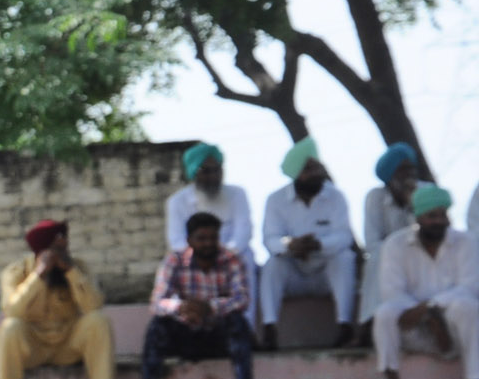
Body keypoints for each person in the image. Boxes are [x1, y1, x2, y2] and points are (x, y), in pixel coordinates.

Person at [134, 212, 258, 379]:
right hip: (186, 335)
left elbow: (242, 299)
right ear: (189, 240)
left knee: (238, 323)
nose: (208, 244)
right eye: (202, 238)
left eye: (213, 238)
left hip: (217, 335)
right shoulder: (174, 260)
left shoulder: (232, 260)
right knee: (157, 327)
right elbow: (157, 302)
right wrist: (182, 307)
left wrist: (210, 307)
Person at [0, 218, 114, 379]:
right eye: (55, 250)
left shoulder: (79, 267)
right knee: (10, 327)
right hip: (32, 346)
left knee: (98, 321)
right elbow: (11, 310)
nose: (60, 256)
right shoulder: (16, 271)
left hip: (68, 344)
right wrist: (39, 275)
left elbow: (94, 305)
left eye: (64, 249)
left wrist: (71, 272)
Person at [372, 184, 479, 379]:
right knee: (385, 314)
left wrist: (431, 307)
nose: (439, 221)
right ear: (418, 217)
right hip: (414, 325)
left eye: (443, 215)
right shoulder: (395, 245)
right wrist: (426, 316)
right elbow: (392, 291)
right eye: (432, 216)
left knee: (468, 307)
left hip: (452, 325)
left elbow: (470, 286)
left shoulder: (466, 242)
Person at [258, 136, 358, 349]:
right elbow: (270, 239)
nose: (316, 173)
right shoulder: (275, 200)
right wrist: (289, 245)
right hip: (294, 273)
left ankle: (345, 326)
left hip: (325, 275)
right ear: (296, 174)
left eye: (317, 167)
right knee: (272, 263)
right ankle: (269, 329)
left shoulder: (336, 197)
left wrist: (318, 244)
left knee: (345, 257)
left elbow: (344, 237)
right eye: (308, 169)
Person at [360, 143, 420, 336]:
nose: (409, 174)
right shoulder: (375, 197)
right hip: (389, 256)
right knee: (378, 257)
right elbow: (372, 242)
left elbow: (429, 232)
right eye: (403, 170)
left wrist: (412, 204)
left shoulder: (425, 192)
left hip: (421, 252)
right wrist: (396, 251)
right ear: (390, 174)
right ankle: (369, 322)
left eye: (411, 168)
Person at [166, 142, 254, 262]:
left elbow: (243, 233)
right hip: (194, 261)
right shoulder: (177, 202)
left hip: (234, 257)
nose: (213, 176)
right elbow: (177, 242)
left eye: (216, 169)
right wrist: (202, 259)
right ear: (193, 172)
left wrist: (224, 256)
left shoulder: (237, 194)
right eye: (206, 171)